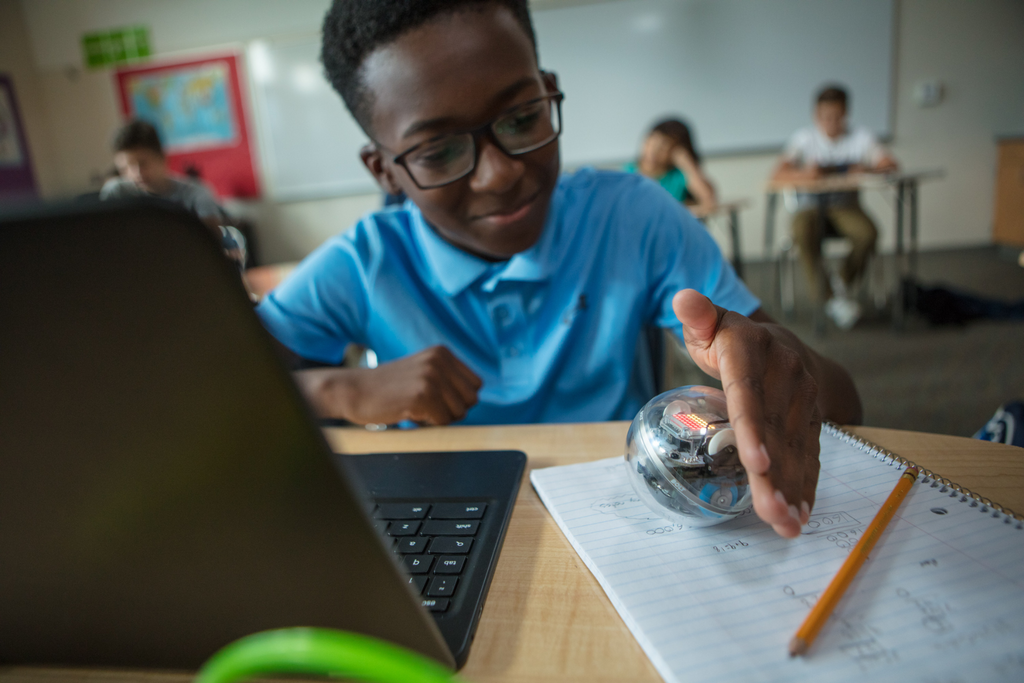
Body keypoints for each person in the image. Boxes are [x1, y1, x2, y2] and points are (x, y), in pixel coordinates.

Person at [257, 0, 864, 539]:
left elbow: (841, 401)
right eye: (439, 151)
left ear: (548, 89)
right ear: (382, 169)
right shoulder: (362, 265)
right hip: (447, 531)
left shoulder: (630, 215)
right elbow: (202, 402)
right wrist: (343, 388)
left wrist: (781, 368)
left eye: (522, 117)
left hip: (625, 522)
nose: (500, 174)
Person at [771, 85, 898, 329]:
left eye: (837, 116)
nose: (831, 122)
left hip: (845, 206)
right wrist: (806, 174)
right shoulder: (804, 139)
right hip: (809, 207)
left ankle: (840, 282)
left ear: (846, 114)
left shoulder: (861, 137)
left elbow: (890, 164)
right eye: (826, 116)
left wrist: (867, 168)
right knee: (801, 230)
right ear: (816, 116)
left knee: (868, 233)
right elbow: (777, 174)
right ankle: (827, 297)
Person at [100, 119, 245, 265]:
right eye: (127, 167)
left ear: (162, 158)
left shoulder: (196, 194)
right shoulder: (116, 193)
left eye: (143, 163)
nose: (136, 173)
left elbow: (211, 248)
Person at [625, 118, 716, 213]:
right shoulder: (629, 172)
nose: (652, 153)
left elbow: (709, 201)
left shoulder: (678, 176)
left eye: (662, 148)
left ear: (675, 152)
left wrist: (687, 165)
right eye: (650, 143)